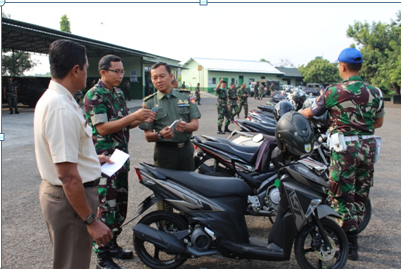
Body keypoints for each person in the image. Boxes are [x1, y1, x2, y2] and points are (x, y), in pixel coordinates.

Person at [34, 39, 113, 269]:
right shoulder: (61, 108)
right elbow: (68, 176)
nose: (87, 75)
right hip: (70, 202)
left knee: (68, 260)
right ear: (75, 70)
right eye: (86, 68)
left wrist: (90, 159)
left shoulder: (58, 99)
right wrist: (91, 220)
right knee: (72, 264)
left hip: (65, 197)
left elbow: (61, 153)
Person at [300, 47, 385, 261]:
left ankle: (346, 244)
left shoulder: (334, 91)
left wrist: (294, 114)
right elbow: (378, 122)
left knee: (340, 195)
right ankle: (353, 243)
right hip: (368, 148)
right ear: (361, 67)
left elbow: (312, 112)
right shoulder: (375, 92)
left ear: (342, 66)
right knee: (359, 195)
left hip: (345, 149)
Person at [84, 55, 154, 269]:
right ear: (103, 72)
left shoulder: (119, 93)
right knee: (106, 208)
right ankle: (102, 258)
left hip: (120, 158)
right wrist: (132, 116)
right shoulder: (94, 95)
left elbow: (122, 125)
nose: (121, 75)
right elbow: (103, 128)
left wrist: (137, 119)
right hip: (104, 161)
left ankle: (112, 243)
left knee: (120, 206)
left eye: (122, 71)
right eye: (117, 71)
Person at [139, 62, 201, 172]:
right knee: (164, 187)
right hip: (164, 153)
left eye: (162, 76)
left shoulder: (186, 96)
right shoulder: (149, 103)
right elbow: (148, 136)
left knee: (188, 186)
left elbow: (195, 125)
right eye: (155, 78)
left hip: (186, 151)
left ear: (171, 76)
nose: (159, 80)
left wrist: (185, 126)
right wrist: (159, 134)